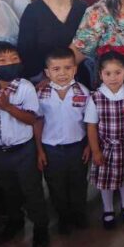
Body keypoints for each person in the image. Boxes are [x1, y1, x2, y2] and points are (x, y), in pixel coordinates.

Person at [0, 41, 49, 247]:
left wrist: (7, 107)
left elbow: (31, 119)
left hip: (24, 150)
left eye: (14, 59)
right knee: (9, 191)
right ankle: (15, 222)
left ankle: (40, 227)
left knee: (32, 190)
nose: (10, 63)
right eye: (3, 61)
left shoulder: (25, 87)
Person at [36, 47, 91, 234]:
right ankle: (63, 217)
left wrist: (89, 146)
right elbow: (37, 123)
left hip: (77, 147)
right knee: (55, 184)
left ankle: (79, 214)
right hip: (51, 149)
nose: (62, 73)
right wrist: (40, 151)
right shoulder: (41, 94)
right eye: (56, 69)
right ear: (47, 72)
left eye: (67, 68)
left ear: (75, 69)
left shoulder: (83, 91)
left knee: (79, 182)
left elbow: (90, 122)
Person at [85, 50, 124, 229]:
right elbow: (92, 126)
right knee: (106, 181)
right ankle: (108, 209)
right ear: (100, 74)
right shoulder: (95, 97)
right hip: (106, 148)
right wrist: (95, 150)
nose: (113, 77)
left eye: (118, 72)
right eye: (107, 73)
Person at [18, 0, 88, 83]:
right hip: (43, 81)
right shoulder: (32, 11)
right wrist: (47, 78)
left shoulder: (83, 9)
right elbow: (26, 53)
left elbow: (88, 47)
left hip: (80, 79)